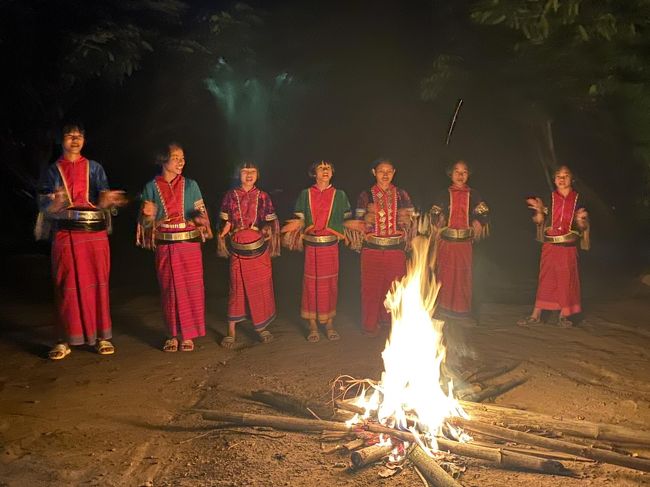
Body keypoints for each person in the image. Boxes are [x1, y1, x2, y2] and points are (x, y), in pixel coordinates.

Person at [36, 122, 127, 360]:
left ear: (84, 141)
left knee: (98, 283)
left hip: (94, 234)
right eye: (69, 135)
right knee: (65, 285)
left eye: (79, 136)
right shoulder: (52, 170)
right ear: (61, 140)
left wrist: (109, 201)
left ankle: (102, 337)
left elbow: (103, 199)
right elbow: (43, 203)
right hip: (65, 234)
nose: (75, 140)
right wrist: (53, 203)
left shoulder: (95, 168)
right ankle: (63, 340)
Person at [136, 143, 212, 352]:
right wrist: (148, 215)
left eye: (183, 158)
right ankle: (172, 334)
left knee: (191, 288)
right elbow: (145, 226)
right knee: (170, 289)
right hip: (165, 246)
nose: (181, 162)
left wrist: (200, 219)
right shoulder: (151, 187)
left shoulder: (191, 185)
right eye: (176, 157)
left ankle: (188, 335)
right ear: (163, 159)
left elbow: (202, 217)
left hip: (189, 244)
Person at [282, 161, 352, 342]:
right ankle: (312, 324)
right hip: (312, 247)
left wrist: (353, 227)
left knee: (330, 284)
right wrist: (294, 226)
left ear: (333, 172)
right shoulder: (306, 194)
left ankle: (329, 323)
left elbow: (346, 220)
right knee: (311, 284)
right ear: (314, 173)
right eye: (321, 168)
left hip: (330, 246)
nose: (325, 170)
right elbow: (300, 220)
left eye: (328, 167)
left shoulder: (340, 195)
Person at [348, 159, 415, 336]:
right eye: (380, 171)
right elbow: (358, 220)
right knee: (371, 288)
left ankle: (392, 325)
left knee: (395, 287)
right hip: (372, 249)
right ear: (373, 172)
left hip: (395, 249)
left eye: (388, 171)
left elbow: (411, 218)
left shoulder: (401, 194)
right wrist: (366, 220)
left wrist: (406, 219)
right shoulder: (366, 195)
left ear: (394, 172)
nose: (385, 175)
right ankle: (369, 325)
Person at [517, 165, 590, 328]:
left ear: (572, 179)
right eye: (558, 176)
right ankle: (535, 315)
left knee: (566, 280)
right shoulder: (548, 198)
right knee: (546, 280)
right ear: (554, 179)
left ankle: (564, 316)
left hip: (568, 246)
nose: (562, 179)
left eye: (566, 176)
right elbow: (539, 221)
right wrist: (538, 212)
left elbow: (583, 226)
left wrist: (581, 221)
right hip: (550, 246)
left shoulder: (579, 200)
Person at [217, 162, 279, 349]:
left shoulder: (264, 196)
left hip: (259, 250)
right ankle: (231, 331)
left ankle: (261, 327)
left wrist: (267, 229)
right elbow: (223, 221)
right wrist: (225, 228)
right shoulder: (229, 196)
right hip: (238, 249)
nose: (249, 175)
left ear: (258, 175)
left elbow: (271, 222)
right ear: (238, 175)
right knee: (237, 288)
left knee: (260, 287)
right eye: (245, 171)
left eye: (252, 171)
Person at [430, 160, 489, 320]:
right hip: (446, 243)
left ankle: (462, 310)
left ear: (468, 174)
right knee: (445, 275)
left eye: (464, 172)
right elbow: (434, 212)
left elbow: (483, 212)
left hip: (464, 243)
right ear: (451, 174)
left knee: (463, 276)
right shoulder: (443, 194)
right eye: (457, 171)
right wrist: (438, 220)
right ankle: (443, 308)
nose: (460, 175)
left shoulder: (474, 195)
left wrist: (478, 221)